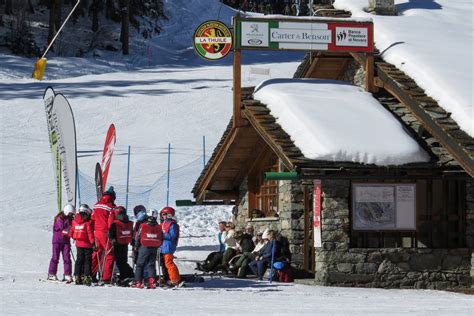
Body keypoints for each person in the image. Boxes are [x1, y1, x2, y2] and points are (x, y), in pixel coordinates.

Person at [91, 186, 116, 284]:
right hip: (105, 233)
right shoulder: (110, 207)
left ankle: (91, 274)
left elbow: (92, 218)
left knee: (96, 253)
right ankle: (106, 278)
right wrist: (111, 232)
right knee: (109, 254)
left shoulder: (96, 205)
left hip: (96, 232)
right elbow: (111, 221)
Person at [132, 209, 163, 289]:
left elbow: (138, 236)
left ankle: (138, 282)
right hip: (154, 247)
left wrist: (136, 246)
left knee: (139, 265)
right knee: (151, 265)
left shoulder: (143, 225)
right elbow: (161, 237)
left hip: (144, 247)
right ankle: (152, 282)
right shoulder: (158, 226)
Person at [47, 204, 75, 282]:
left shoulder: (70, 219)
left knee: (67, 258)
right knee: (55, 257)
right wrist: (70, 230)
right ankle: (51, 273)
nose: (71, 216)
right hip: (57, 241)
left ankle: (67, 274)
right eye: (70, 214)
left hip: (66, 241)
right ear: (66, 212)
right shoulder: (59, 218)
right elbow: (63, 228)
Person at [108, 206, 134, 285]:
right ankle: (130, 274)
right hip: (125, 243)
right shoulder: (128, 222)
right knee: (123, 261)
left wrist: (111, 239)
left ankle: (124, 276)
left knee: (119, 261)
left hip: (117, 243)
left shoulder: (115, 223)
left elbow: (111, 234)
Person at [70, 204, 94, 285]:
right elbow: (90, 233)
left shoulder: (74, 221)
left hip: (79, 244)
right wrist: (93, 243)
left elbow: (72, 232)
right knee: (87, 261)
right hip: (87, 245)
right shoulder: (88, 222)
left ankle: (77, 275)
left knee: (79, 260)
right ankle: (87, 276)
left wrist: (74, 237)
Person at [160, 206, 181, 287]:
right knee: (166, 264)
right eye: (162, 214)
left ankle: (175, 279)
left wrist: (162, 235)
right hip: (164, 246)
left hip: (168, 247)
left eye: (164, 214)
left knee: (169, 263)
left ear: (169, 215)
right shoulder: (165, 223)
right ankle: (173, 278)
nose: (163, 216)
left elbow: (173, 235)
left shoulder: (172, 224)